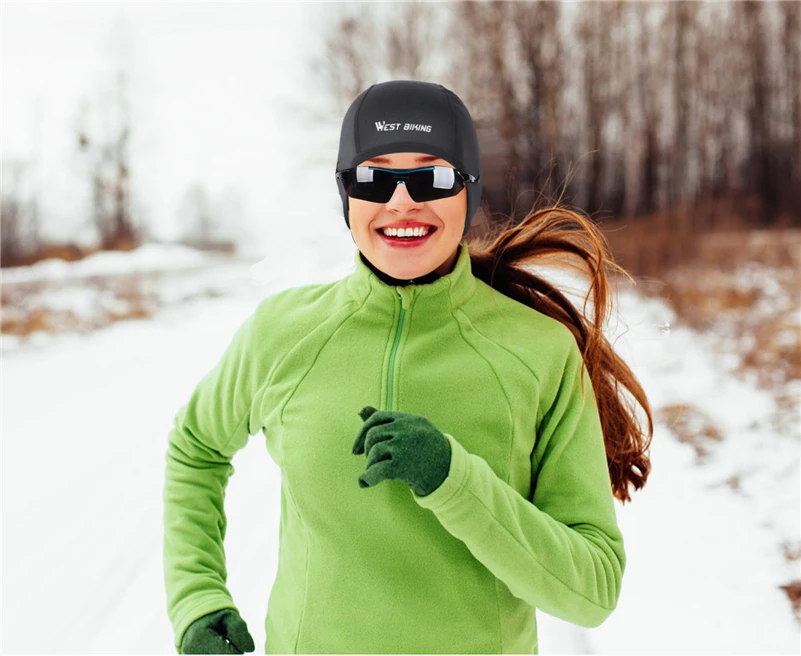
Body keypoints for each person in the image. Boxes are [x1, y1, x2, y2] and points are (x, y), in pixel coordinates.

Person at [163, 79, 653, 655]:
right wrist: (197, 598)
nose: (401, 201)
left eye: (432, 176)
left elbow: (591, 592)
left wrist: (451, 478)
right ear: (347, 195)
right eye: (374, 177)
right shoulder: (283, 332)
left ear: (467, 192)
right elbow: (195, 447)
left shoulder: (538, 351)